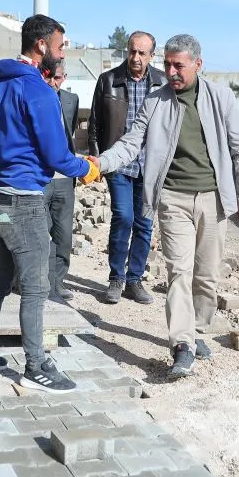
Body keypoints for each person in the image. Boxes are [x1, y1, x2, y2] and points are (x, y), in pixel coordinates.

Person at [91, 34, 239, 379]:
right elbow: (130, 143)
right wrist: (101, 163)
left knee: (207, 276)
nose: (170, 71)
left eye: (178, 65)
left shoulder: (221, 98)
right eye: (167, 64)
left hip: (213, 199)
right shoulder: (155, 102)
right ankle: (181, 344)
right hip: (172, 199)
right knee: (179, 272)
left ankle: (196, 331)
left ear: (198, 64)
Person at [0, 14, 99, 393]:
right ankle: (36, 365)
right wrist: (85, 168)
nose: (62, 55)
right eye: (60, 47)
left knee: (0, 278)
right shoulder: (39, 92)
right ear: (41, 46)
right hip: (23, 202)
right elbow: (57, 155)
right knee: (37, 287)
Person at [87, 31, 165, 305]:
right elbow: (94, 124)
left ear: (152, 56)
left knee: (144, 223)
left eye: (142, 53)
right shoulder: (108, 80)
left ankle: (134, 279)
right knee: (123, 216)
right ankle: (116, 278)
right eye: (132, 51)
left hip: (150, 166)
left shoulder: (162, 84)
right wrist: (97, 161)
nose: (135, 57)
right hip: (119, 162)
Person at [42, 62, 80, 302]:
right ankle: (42, 283)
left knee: (64, 235)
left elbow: (70, 131)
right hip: (41, 177)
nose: (53, 83)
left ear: (63, 77)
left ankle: (58, 281)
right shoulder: (35, 97)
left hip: (64, 176)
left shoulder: (71, 100)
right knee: (41, 233)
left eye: (57, 78)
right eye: (49, 78)